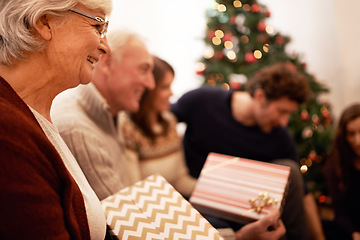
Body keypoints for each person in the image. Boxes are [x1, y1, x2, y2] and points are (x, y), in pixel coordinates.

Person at [0, 0, 112, 239]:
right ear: (44, 22)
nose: (106, 47)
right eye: (98, 27)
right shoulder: (7, 132)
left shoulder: (33, 116)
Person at [171, 62, 315, 240]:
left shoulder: (279, 135)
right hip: (199, 201)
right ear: (260, 96)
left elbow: (303, 192)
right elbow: (159, 118)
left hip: (248, 208)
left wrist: (320, 237)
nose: (284, 122)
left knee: (290, 169)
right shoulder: (201, 101)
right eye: (281, 111)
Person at [51, 29, 155, 201]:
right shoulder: (76, 129)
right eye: (144, 70)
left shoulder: (112, 114)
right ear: (107, 64)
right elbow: (121, 217)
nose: (151, 84)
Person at [120, 56, 197, 198]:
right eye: (165, 87)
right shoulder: (127, 127)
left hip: (176, 203)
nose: (171, 93)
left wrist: (214, 193)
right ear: (148, 90)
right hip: (152, 209)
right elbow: (135, 191)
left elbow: (180, 180)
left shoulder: (170, 122)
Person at [325, 103, 360, 240]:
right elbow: (340, 214)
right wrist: (355, 234)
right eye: (351, 134)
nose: (358, 141)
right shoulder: (334, 168)